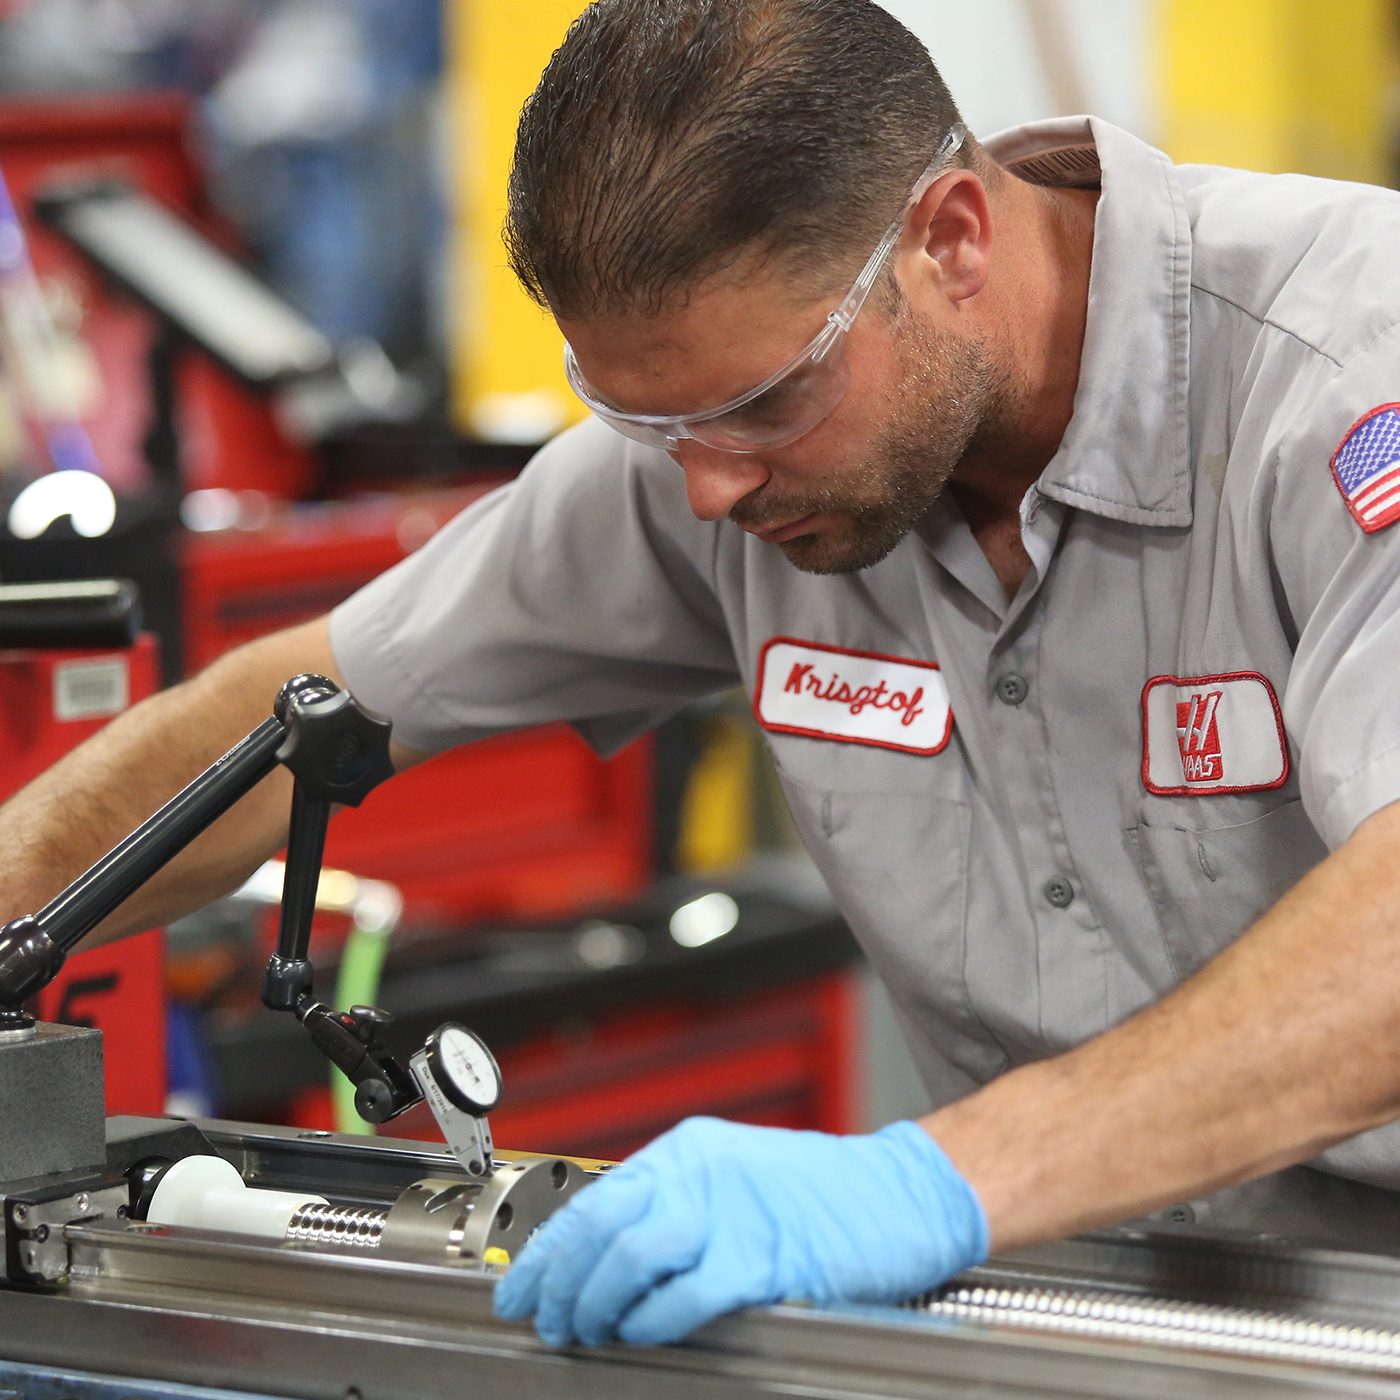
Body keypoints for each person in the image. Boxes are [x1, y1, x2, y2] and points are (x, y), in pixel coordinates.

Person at [8, 0, 1400, 1349]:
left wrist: (940, 1178)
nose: (712, 486)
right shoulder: (712, 446)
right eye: (645, 419)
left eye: (762, 406)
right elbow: (297, 712)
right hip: (1069, 1306)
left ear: (952, 241)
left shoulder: (1342, 373)